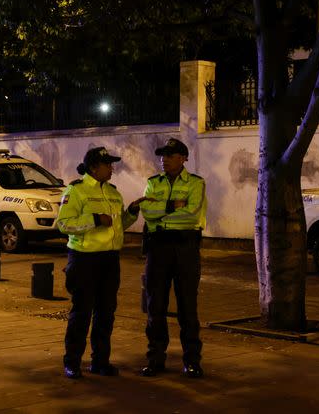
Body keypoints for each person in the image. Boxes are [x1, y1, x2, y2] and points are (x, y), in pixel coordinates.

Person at [57, 146, 142, 379]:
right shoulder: (76, 191)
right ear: (94, 168)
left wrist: (132, 212)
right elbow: (64, 224)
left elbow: (117, 226)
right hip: (84, 260)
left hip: (109, 260)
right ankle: (72, 362)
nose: (112, 168)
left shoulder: (113, 193)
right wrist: (94, 219)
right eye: (108, 164)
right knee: (82, 313)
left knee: (106, 313)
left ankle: (100, 361)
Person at [138, 138, 207, 378]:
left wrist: (161, 216)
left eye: (169, 155)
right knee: (155, 306)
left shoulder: (196, 183)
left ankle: (192, 361)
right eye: (162, 155)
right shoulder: (153, 182)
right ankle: (155, 359)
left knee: (188, 306)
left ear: (183, 158)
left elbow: (191, 214)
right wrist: (172, 207)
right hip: (158, 248)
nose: (163, 160)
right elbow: (147, 211)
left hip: (185, 247)